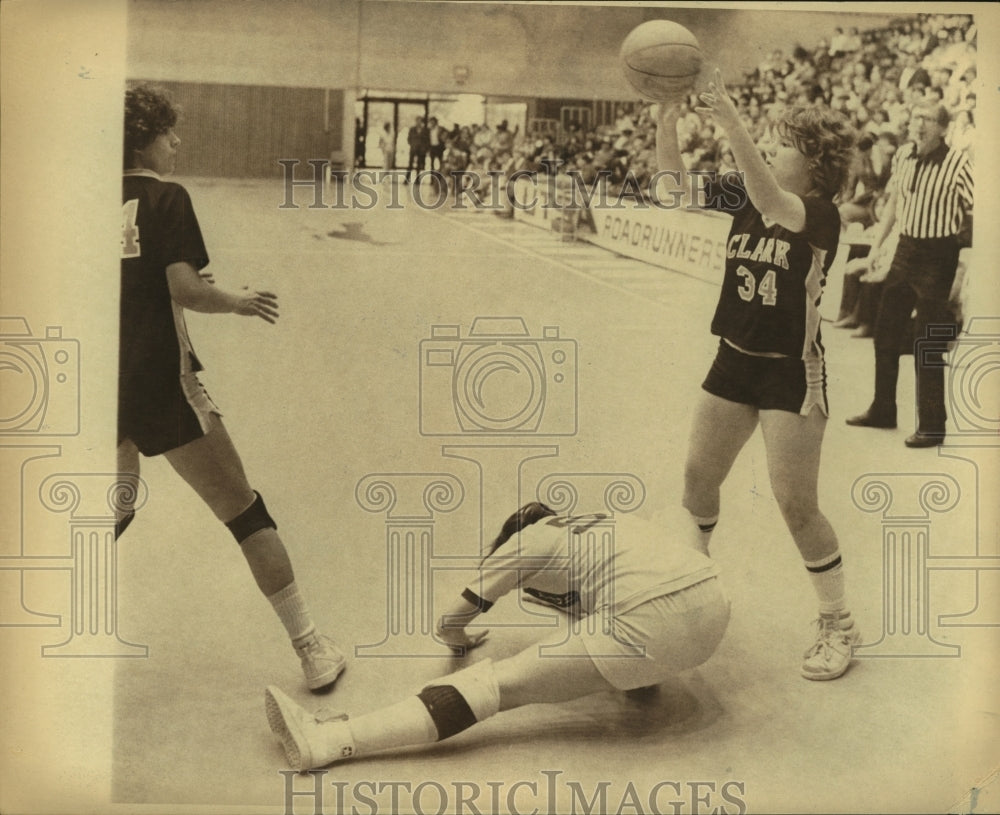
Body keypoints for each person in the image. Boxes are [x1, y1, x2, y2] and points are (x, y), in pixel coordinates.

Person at [117, 84, 346, 692]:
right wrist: (237, 301)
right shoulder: (166, 197)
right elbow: (186, 289)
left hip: (96, 382)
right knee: (245, 511)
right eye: (170, 134)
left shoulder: (85, 195)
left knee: (104, 512)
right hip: (161, 384)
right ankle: (313, 649)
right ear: (146, 138)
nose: (178, 143)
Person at [655, 70, 861, 681]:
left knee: (795, 503)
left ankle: (838, 622)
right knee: (698, 478)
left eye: (785, 143)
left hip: (791, 372)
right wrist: (666, 121)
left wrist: (732, 120)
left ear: (816, 163)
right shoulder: (746, 194)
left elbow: (775, 203)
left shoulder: (820, 215)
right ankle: (684, 593)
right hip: (734, 357)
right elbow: (675, 190)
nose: (772, 148)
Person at [264, 503, 730, 770]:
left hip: (645, 622)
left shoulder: (528, 541)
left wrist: (459, 640)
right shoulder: (607, 523)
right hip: (712, 608)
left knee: (494, 685)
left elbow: (449, 620)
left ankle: (332, 740)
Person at [845, 101, 973, 447]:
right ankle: (883, 409)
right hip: (905, 250)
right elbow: (894, 207)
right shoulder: (903, 155)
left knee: (927, 341)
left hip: (938, 255)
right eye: (916, 118)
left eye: (928, 120)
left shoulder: (958, 163)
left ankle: (932, 425)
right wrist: (875, 251)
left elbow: (977, 208)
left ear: (943, 129)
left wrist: (966, 258)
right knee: (886, 332)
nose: (919, 124)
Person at [405, 115, 429, 183]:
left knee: (419, 165)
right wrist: (412, 144)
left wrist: (424, 148)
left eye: (420, 121)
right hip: (413, 148)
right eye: (417, 121)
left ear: (421, 122)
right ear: (415, 121)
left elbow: (427, 140)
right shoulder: (412, 129)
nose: (418, 122)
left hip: (421, 150)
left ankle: (417, 179)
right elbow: (409, 138)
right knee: (410, 164)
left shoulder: (425, 130)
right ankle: (407, 179)